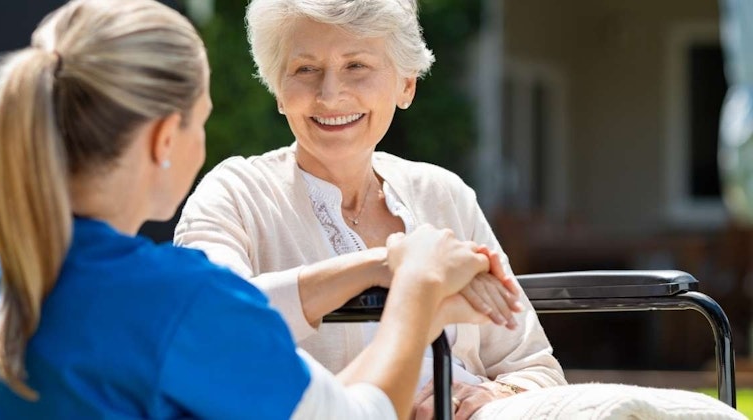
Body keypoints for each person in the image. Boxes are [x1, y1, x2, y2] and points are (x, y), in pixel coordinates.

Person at [0, 0, 513, 418]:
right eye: (203, 118)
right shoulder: (179, 301)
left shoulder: (2, 282)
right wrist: (416, 288)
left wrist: (383, 269)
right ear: (164, 139)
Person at [174, 0, 567, 418]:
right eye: (305, 69)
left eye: (356, 65)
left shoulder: (444, 194)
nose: (329, 94)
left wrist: (486, 399)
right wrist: (388, 265)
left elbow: (533, 367)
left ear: (406, 85)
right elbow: (209, 325)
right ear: (278, 90)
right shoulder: (234, 194)